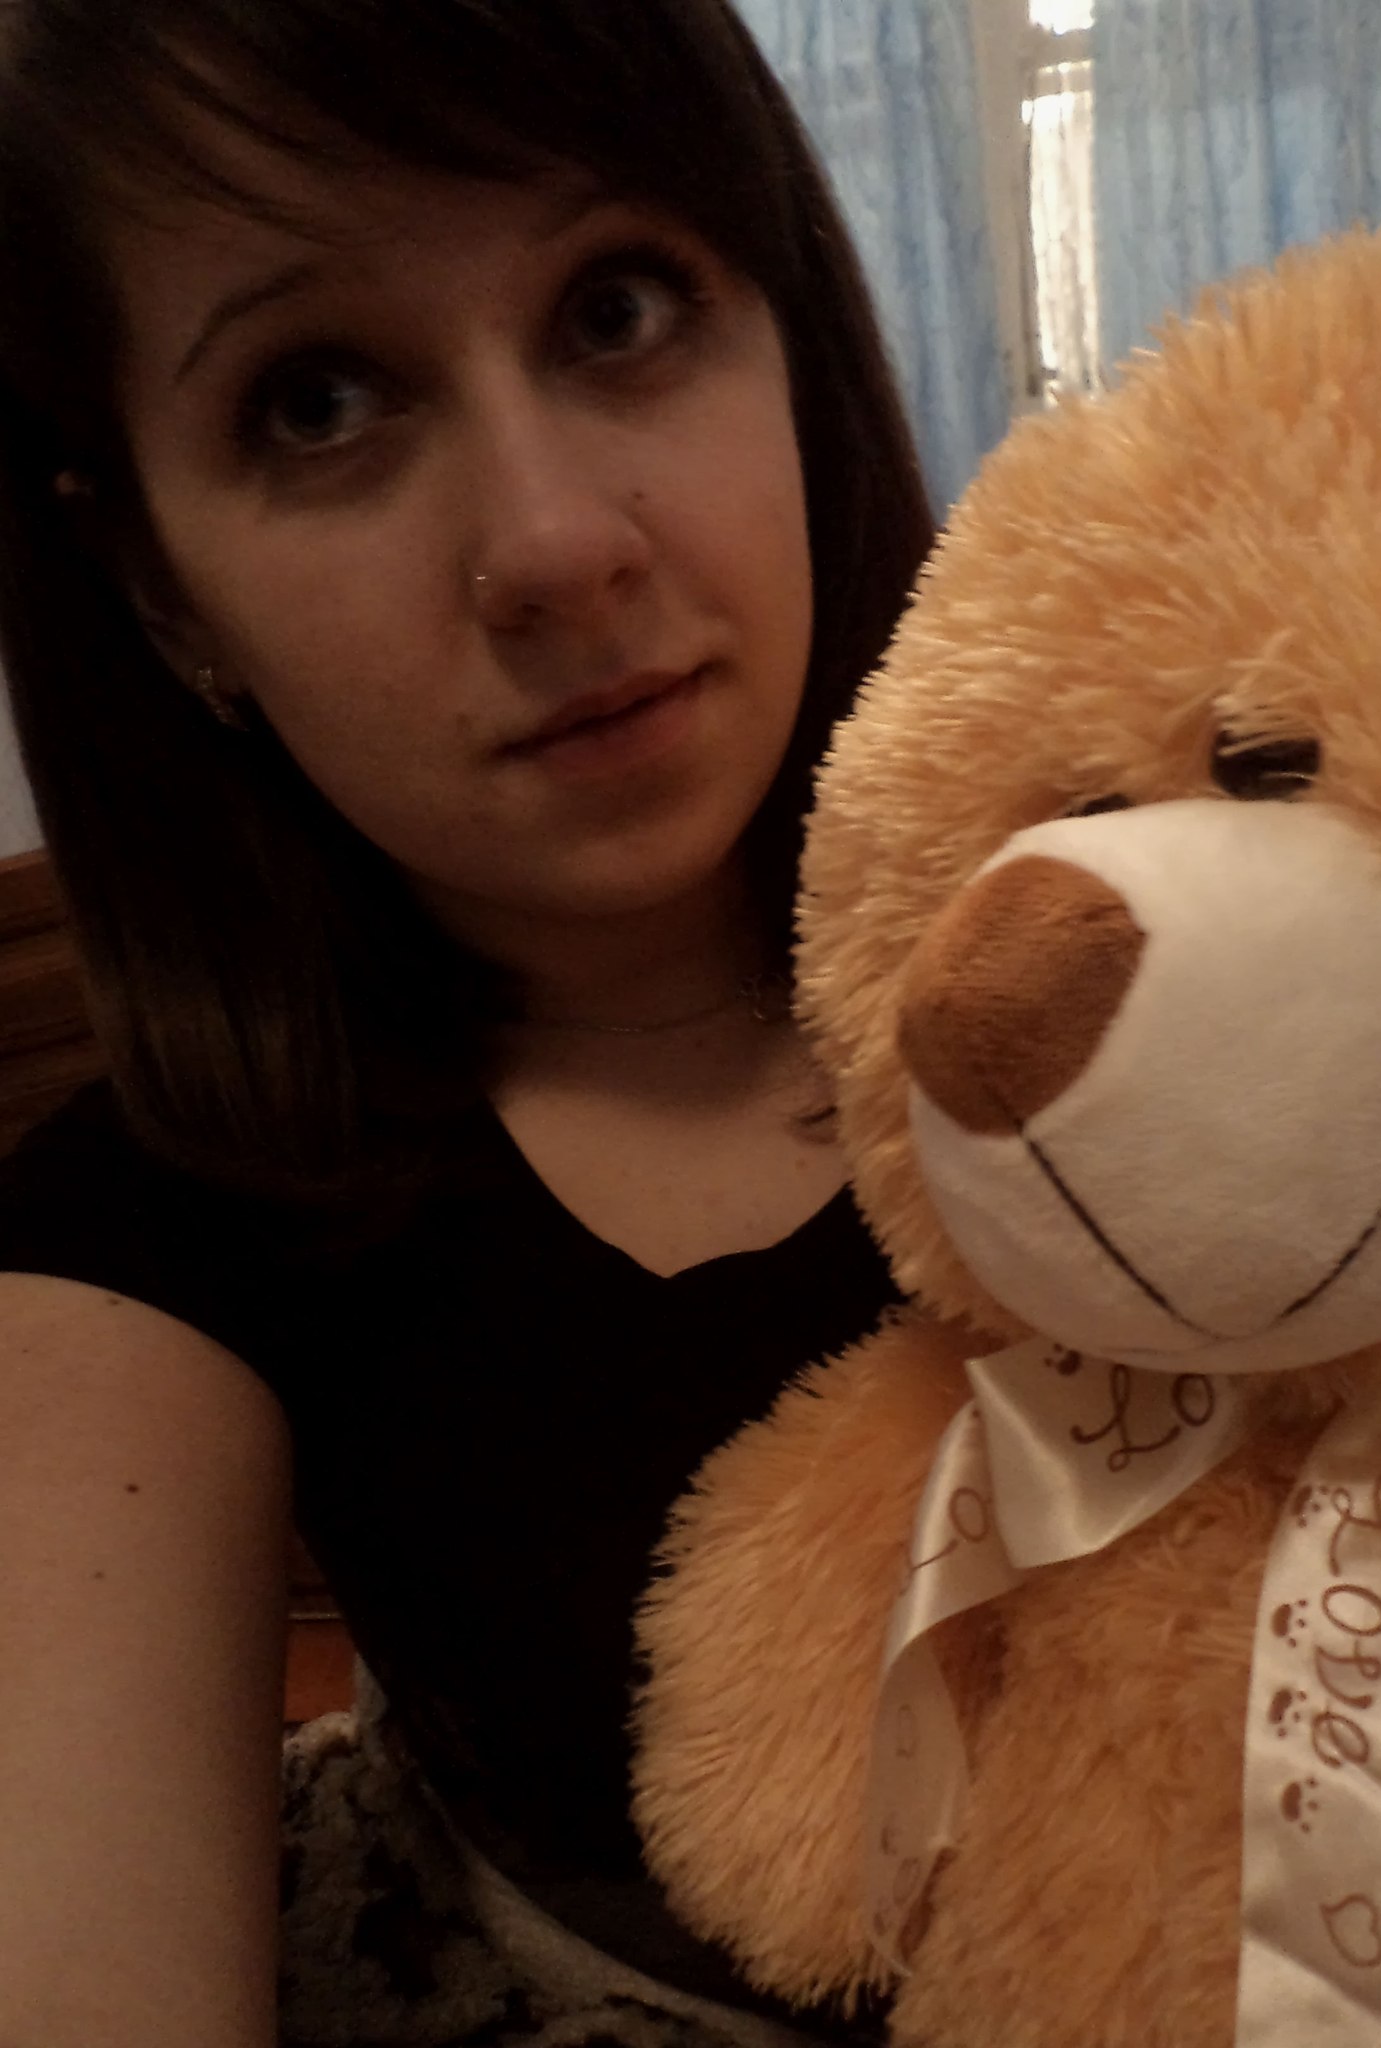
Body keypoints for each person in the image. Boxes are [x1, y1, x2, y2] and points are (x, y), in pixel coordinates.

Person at [0, 2, 934, 2042]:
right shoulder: (137, 1258)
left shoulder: (1175, 930)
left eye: (617, 307)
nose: (553, 545)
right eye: (317, 401)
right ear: (161, 591)